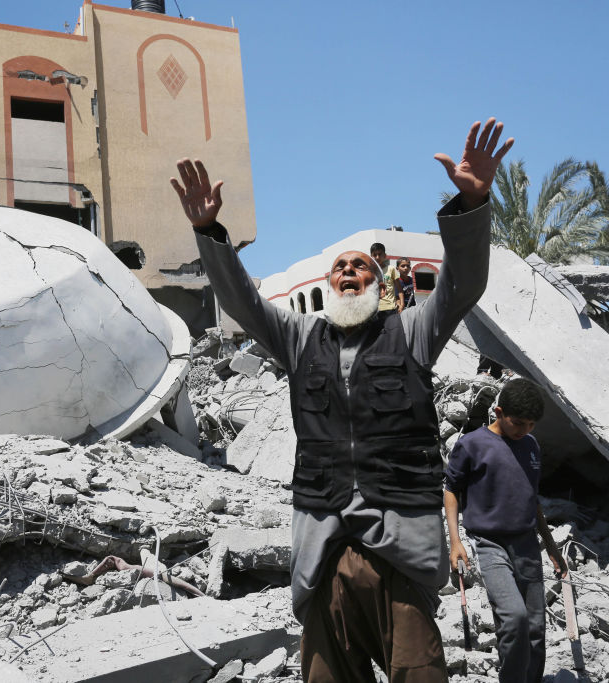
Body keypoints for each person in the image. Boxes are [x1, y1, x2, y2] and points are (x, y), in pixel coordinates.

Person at [171, 117, 514, 683]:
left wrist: (471, 204)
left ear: (378, 285)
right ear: (331, 286)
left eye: (361, 266)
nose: (349, 271)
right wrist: (210, 232)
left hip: (401, 547)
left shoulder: (412, 331)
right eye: (340, 268)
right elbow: (242, 301)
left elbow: (463, 285)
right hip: (323, 551)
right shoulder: (301, 338)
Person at [443, 377, 568, 683]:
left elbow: (531, 497)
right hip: (489, 543)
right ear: (498, 412)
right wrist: (455, 541)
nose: (524, 430)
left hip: (526, 543)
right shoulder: (472, 444)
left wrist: (550, 547)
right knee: (514, 618)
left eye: (531, 424)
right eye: (518, 423)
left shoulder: (530, 446)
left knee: (536, 627)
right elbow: (450, 489)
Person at [370, 242, 399, 313]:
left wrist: (401, 304)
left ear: (385, 255)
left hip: (390, 308)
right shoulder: (369, 272)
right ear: (371, 256)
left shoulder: (391, 269)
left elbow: (399, 288)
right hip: (374, 308)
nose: (377, 257)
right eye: (375, 255)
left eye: (380, 254)